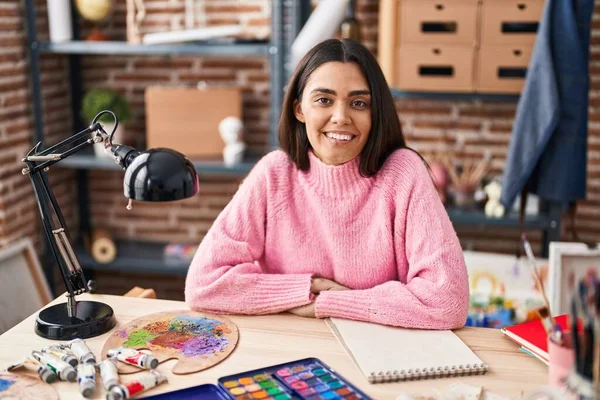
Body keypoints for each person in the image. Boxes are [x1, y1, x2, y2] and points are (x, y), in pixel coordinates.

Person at [185, 39, 469, 329]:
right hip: (291, 349)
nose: (341, 117)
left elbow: (447, 302)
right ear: (299, 109)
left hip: (378, 353)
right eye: (324, 100)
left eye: (359, 103)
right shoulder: (274, 174)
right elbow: (203, 285)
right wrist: (306, 288)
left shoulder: (403, 173)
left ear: (375, 113)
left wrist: (327, 302)